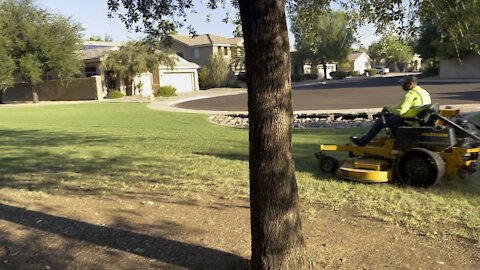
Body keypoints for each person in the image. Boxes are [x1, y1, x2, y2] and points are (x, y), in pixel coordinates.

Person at [351, 75, 431, 146]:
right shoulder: (424, 92)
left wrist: (388, 109)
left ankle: (363, 142)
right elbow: (402, 107)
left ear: (410, 84)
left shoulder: (411, 94)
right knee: (392, 117)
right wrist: (391, 108)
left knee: (381, 121)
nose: (401, 85)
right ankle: (394, 139)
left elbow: (400, 111)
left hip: (409, 121)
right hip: (418, 120)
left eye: (403, 84)